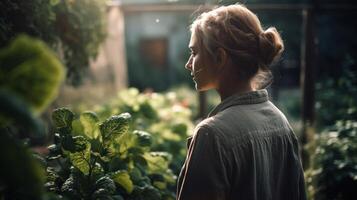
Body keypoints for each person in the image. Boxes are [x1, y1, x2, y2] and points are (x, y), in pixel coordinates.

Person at [177, 4, 307, 200]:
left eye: (194, 52)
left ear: (220, 58)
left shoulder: (211, 135)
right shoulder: (281, 122)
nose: (188, 64)